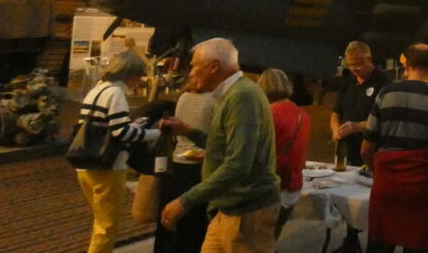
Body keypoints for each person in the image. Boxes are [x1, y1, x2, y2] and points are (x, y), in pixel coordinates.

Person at [160, 38, 281, 253]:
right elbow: (225, 149)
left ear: (214, 66)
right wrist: (188, 131)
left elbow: (238, 163)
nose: (191, 72)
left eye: (195, 65)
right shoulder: (232, 95)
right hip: (229, 208)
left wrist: (186, 201)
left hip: (246, 213)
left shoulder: (242, 97)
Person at [362, 44, 428, 253]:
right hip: (422, 189)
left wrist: (378, 172)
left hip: (386, 185)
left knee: (380, 243)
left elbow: (366, 149)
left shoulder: (385, 94)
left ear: (406, 64)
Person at [75, 53, 161, 253]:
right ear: (129, 74)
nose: (140, 80)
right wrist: (154, 134)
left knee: (100, 221)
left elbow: (101, 127)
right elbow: (121, 132)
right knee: (107, 227)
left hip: (85, 164)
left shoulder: (96, 90)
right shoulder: (116, 94)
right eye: (139, 75)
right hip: (109, 167)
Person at [330, 41, 392, 252]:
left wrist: (357, 126)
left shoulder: (384, 82)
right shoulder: (347, 82)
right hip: (349, 149)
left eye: (358, 64)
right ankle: (351, 238)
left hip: (373, 149)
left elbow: (385, 118)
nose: (355, 69)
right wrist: (335, 129)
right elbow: (335, 112)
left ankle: (377, 241)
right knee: (350, 195)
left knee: (373, 198)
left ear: (369, 58)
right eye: (351, 65)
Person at [154, 87, 215, 253]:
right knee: (194, 224)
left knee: (170, 223)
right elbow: (215, 140)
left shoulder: (183, 97)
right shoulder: (215, 100)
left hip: (176, 162)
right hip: (199, 165)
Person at [257, 68, 311, 238]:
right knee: (272, 236)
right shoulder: (302, 114)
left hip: (270, 188)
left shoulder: (268, 114)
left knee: (257, 241)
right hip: (291, 186)